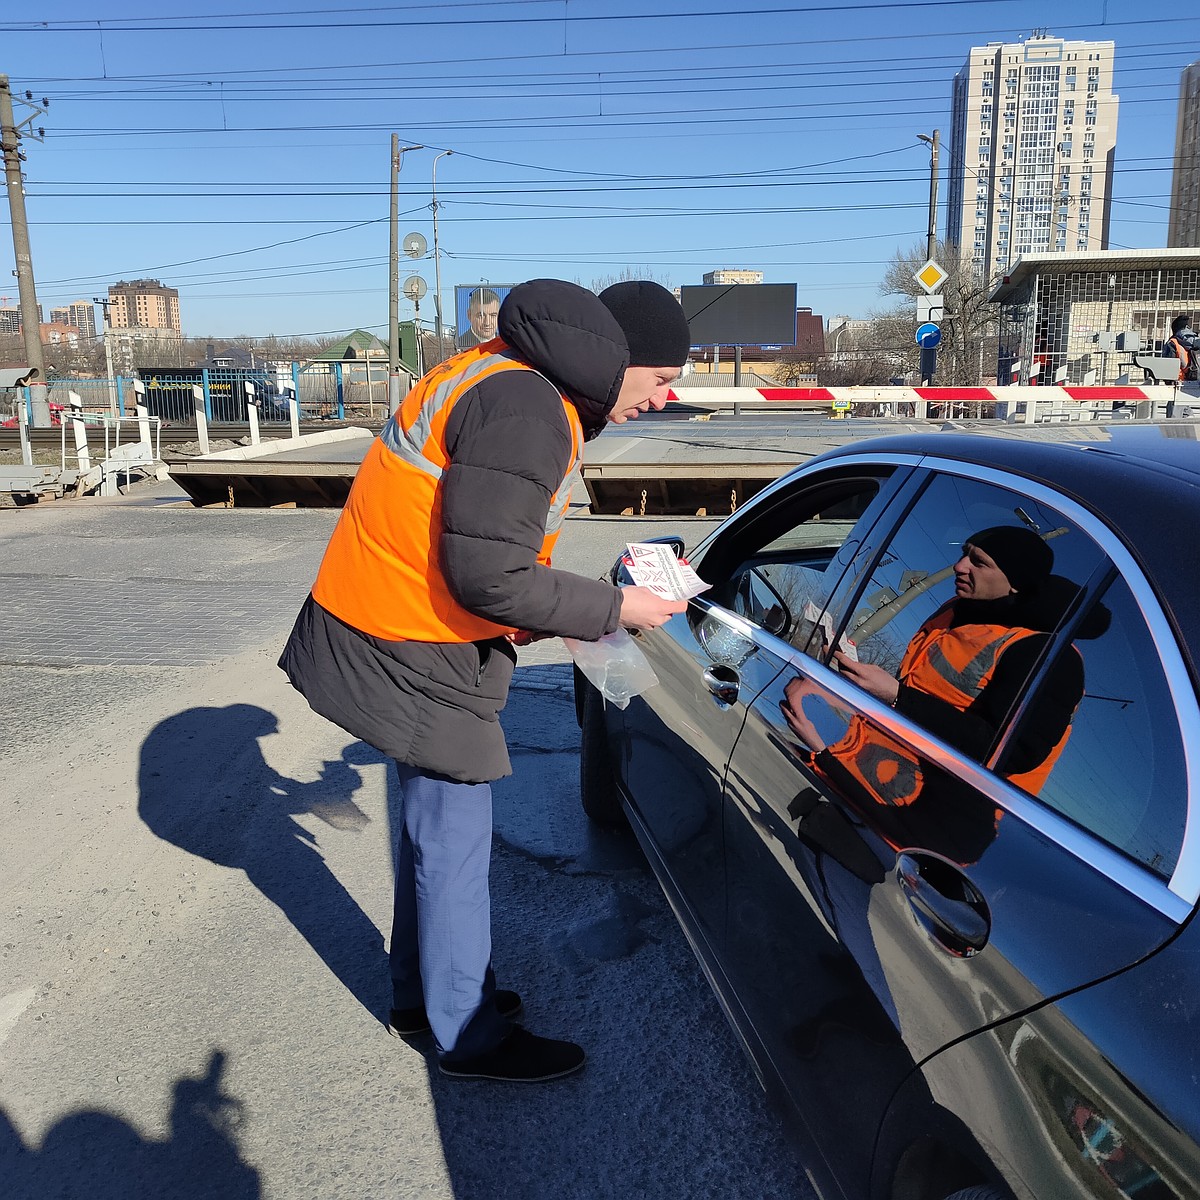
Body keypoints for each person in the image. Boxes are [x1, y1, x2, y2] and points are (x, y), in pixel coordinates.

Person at [279, 278, 690, 1082]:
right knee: (454, 846)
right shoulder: (528, 408)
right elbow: (490, 579)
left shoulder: (500, 372)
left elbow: (480, 552)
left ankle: (424, 995)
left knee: (432, 836)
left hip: (395, 621)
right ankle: (466, 1032)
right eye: (663, 379)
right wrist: (616, 605)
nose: (666, 399)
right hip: (418, 640)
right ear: (619, 359)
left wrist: (563, 610)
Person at [781, 526, 1091, 864]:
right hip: (857, 791)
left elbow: (1008, 751)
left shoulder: (1048, 656)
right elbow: (921, 699)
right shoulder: (956, 613)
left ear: (1014, 582)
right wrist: (855, 683)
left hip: (918, 840)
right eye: (964, 554)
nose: (960, 566)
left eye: (979, 562)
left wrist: (895, 695)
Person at [1165, 314, 1197, 383]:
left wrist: (1168, 382)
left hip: (1181, 382)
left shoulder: (1173, 342)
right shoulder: (1196, 340)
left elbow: (1169, 366)